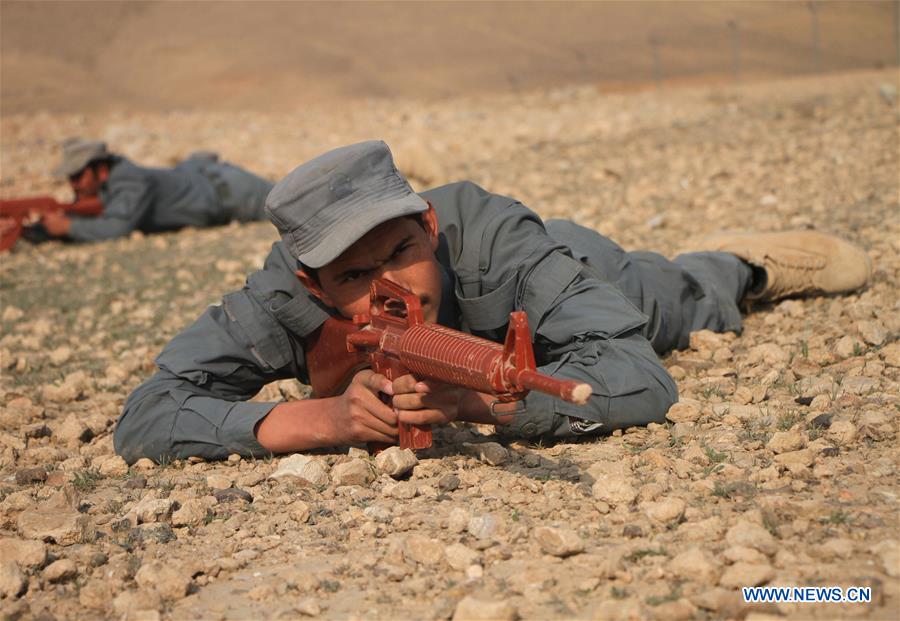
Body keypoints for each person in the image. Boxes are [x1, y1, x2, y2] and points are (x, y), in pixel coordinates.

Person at [114, 141, 871, 463]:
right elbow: (148, 412)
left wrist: (476, 402)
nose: (391, 288)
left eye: (401, 253)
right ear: (313, 284)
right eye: (354, 277)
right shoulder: (285, 291)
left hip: (573, 269)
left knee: (670, 303)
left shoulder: (491, 237)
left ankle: (742, 262)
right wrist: (319, 420)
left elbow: (641, 378)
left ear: (428, 225)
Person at [39, 138, 274, 241]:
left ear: (101, 170)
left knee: (287, 205)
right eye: (70, 178)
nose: (73, 185)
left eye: (78, 176)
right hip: (210, 180)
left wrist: (68, 227)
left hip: (232, 191)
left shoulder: (131, 181)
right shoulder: (113, 183)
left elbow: (117, 227)